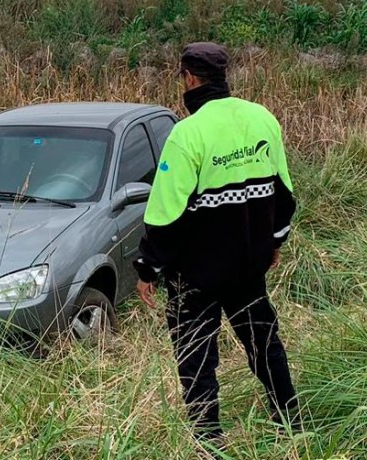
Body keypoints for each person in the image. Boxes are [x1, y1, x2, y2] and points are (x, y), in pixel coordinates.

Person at [133, 42, 300, 440]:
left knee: (196, 356)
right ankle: (291, 423)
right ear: (223, 77)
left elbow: (166, 214)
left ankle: (210, 442)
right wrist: (275, 242)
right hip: (249, 266)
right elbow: (283, 195)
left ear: (189, 79)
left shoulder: (186, 135)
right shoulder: (262, 118)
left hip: (195, 275)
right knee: (264, 343)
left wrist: (147, 268)